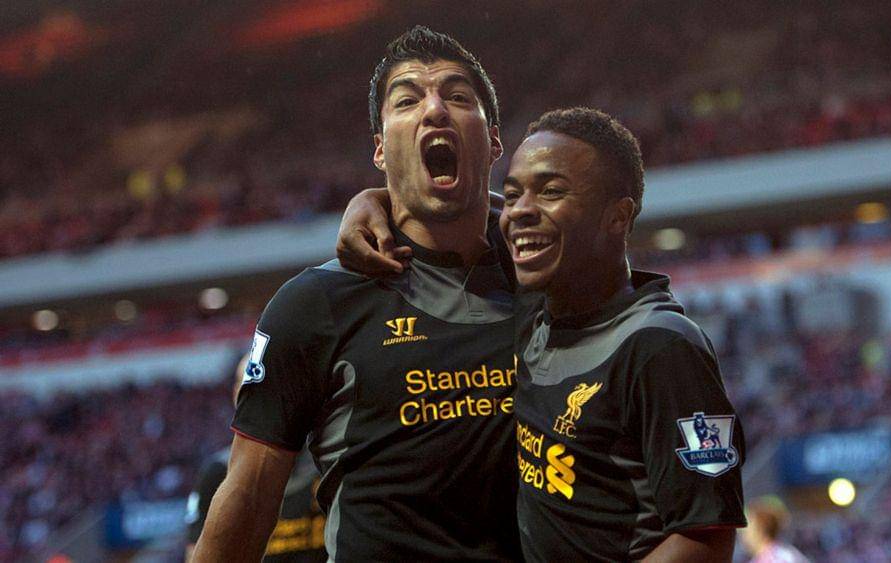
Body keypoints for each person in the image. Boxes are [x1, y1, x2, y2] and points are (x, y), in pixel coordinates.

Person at [338, 108, 747, 561]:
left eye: (551, 191)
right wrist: (371, 201)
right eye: (513, 195)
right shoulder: (537, 307)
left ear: (618, 216)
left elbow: (706, 538)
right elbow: (455, 208)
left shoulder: (659, 346)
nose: (520, 212)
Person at [192, 26, 520, 561]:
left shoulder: (548, 281)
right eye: (407, 100)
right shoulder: (314, 306)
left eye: (459, 97)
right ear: (380, 151)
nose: (435, 109)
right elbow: (247, 501)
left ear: (495, 141)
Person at [185, 354, 326, 562]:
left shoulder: (325, 461)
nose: (258, 396)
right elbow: (195, 555)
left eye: (266, 384)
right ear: (236, 394)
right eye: (249, 385)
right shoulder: (217, 474)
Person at [740, 497, 810, 563]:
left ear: (760, 530)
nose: (742, 534)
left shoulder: (777, 559)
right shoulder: (785, 554)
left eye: (748, 529)